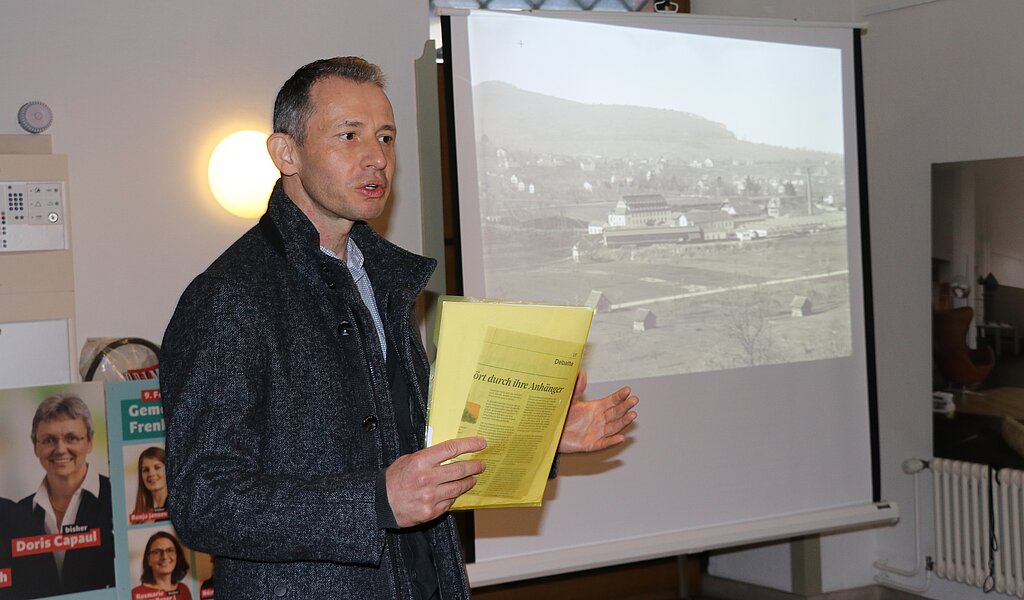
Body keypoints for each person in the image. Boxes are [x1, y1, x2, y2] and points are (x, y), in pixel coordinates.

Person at [160, 56, 638, 600]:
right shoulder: (229, 298)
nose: (376, 158)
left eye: (385, 138)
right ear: (285, 153)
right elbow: (205, 503)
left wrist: (540, 437)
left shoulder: (378, 280)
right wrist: (376, 502)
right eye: (349, 135)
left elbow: (418, 459)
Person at [17, 393, 115, 596]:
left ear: (89, 442)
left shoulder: (117, 497)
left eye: (71, 438)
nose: (60, 449)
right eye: (49, 440)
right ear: (36, 446)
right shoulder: (18, 512)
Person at [131, 531, 192, 600]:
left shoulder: (183, 589)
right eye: (157, 552)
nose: (164, 557)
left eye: (169, 550)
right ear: (148, 560)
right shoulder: (136, 594)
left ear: (177, 556)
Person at [131, 446, 169, 524]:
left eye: (157, 467)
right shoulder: (137, 513)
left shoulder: (179, 508)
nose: (151, 474)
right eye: (145, 470)